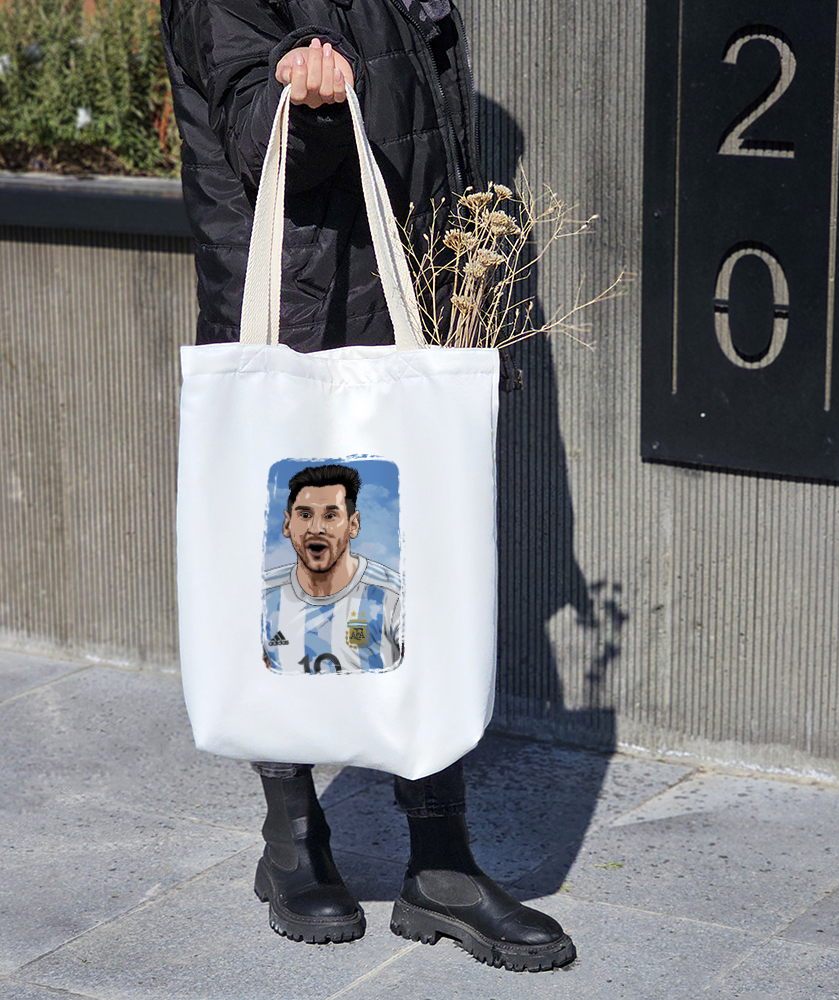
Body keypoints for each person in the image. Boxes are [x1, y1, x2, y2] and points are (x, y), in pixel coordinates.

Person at [160, 0, 575, 972]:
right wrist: (302, 105)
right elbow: (254, 132)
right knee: (295, 577)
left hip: (399, 305)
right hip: (301, 306)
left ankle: (441, 861)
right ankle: (293, 837)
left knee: (418, 574)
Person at [263, 464, 403, 676]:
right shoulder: (261, 598)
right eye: (305, 515)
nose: (316, 528)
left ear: (353, 525)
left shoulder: (395, 597)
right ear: (287, 524)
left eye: (330, 516)